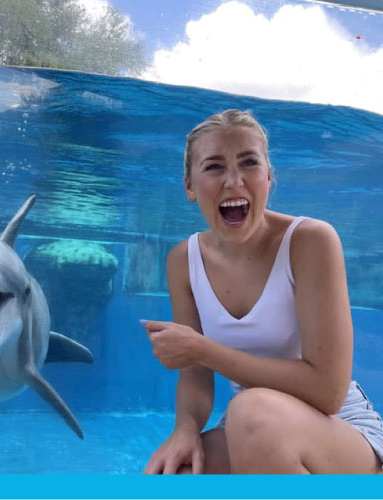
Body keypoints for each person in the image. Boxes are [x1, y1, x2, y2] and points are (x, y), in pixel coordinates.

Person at [142, 109, 383, 474]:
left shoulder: (310, 241)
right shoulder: (183, 260)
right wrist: (185, 429)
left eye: (249, 162)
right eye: (214, 167)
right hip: (252, 430)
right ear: (190, 187)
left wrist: (204, 349)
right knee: (175, 475)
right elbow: (195, 374)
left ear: (269, 177)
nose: (234, 181)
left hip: (341, 430)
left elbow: (328, 391)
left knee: (251, 411)